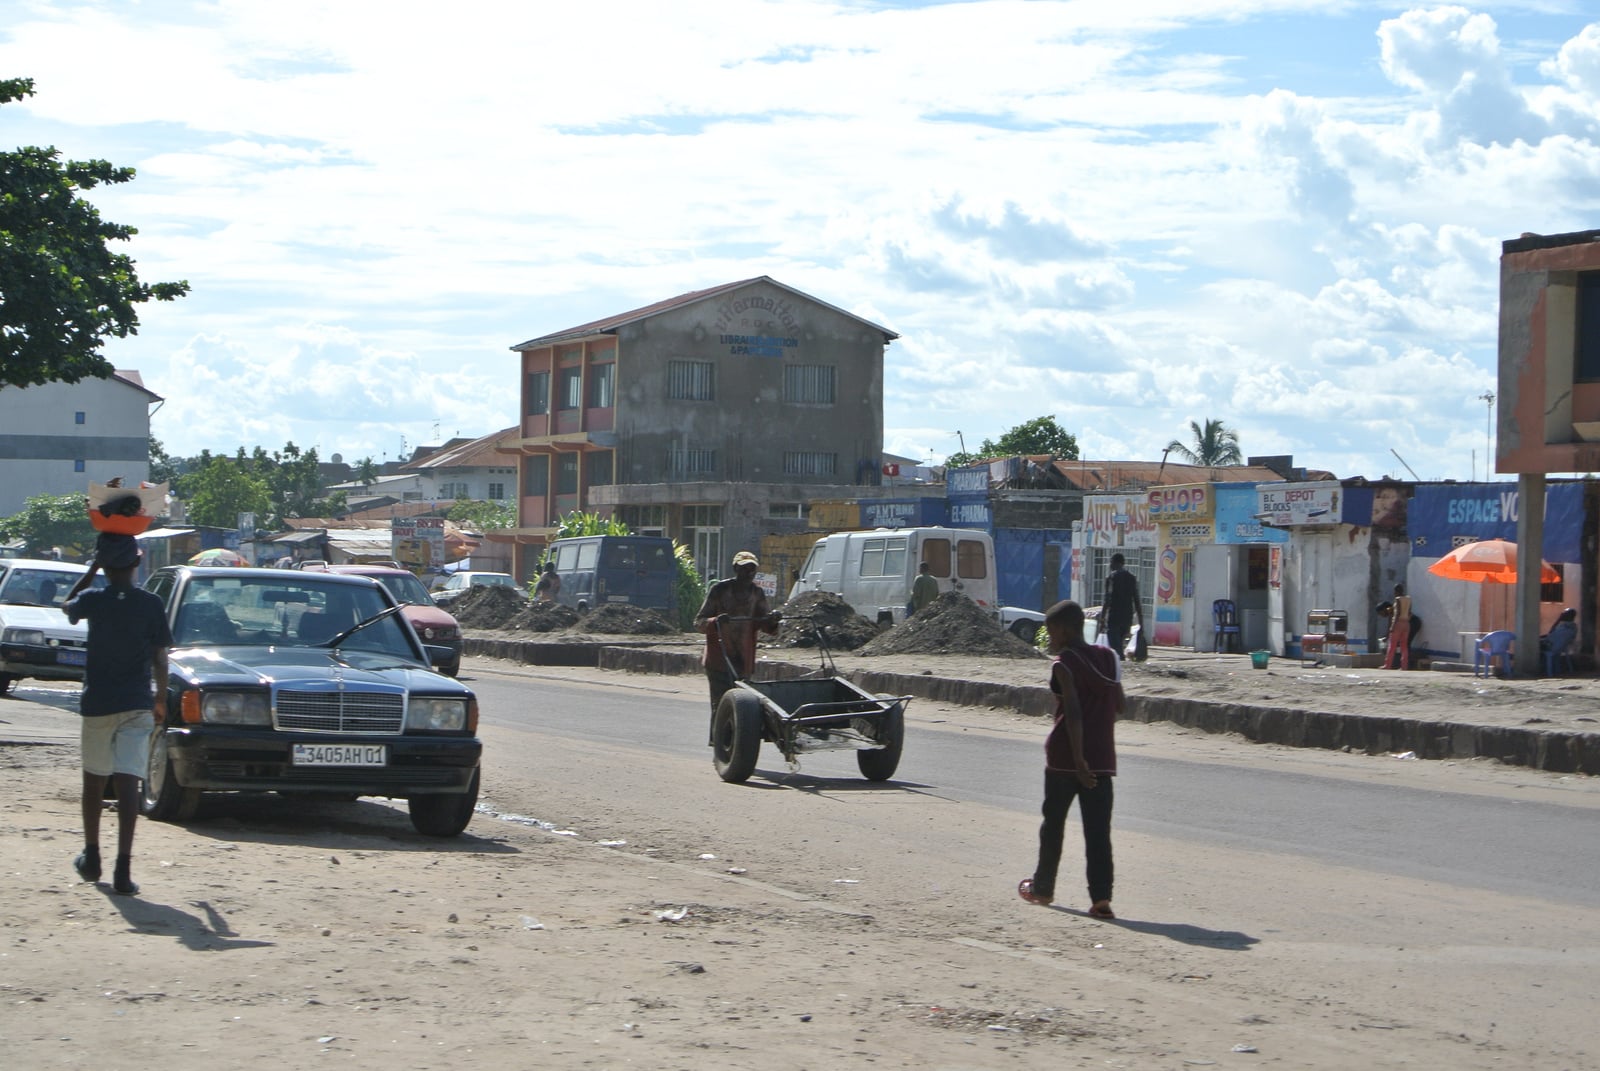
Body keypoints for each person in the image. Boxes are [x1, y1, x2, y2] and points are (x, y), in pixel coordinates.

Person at [63, 535, 171, 897]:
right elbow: (160, 657)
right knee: (129, 784)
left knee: (94, 781)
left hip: (99, 703)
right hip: (138, 703)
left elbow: (67, 605)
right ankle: (123, 869)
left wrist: (93, 567)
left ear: (107, 568)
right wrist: (160, 699)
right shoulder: (151, 603)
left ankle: (91, 857)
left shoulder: (94, 599)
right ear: (136, 565)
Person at [1018, 599, 1125, 919]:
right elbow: (1120, 706)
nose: (1049, 638)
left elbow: (1074, 711)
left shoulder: (1063, 663)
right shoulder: (1109, 658)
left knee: (1053, 826)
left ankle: (1043, 888)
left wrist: (1078, 759)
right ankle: (1101, 899)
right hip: (1103, 758)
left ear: (1063, 631)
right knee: (1098, 833)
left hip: (1066, 759)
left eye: (1051, 631)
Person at [694, 550, 781, 734]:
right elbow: (699, 622)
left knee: (742, 708)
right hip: (719, 661)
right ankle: (719, 744)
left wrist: (773, 620)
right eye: (744, 569)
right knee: (721, 705)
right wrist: (715, 621)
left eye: (752, 569)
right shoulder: (719, 590)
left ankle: (737, 743)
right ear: (735, 569)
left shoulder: (756, 593)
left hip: (743, 662)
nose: (749, 573)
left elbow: (765, 624)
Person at [1099, 553, 1144, 660]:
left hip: (1114, 618)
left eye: (1111, 562)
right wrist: (1141, 621)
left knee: (1116, 649)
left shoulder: (1111, 578)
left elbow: (1107, 600)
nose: (1110, 565)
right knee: (1119, 645)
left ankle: (1120, 666)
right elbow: (1136, 600)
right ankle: (1121, 663)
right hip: (1127, 618)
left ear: (1115, 563)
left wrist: (1102, 619)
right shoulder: (1131, 578)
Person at [1381, 583, 1418, 670]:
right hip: (1406, 623)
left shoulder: (1397, 599)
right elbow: (1409, 612)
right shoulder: (1409, 599)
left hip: (1398, 623)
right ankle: (1404, 666)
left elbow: (1397, 613)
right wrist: (1406, 620)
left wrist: (1392, 626)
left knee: (1392, 645)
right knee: (1404, 646)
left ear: (1396, 591)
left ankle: (1387, 665)